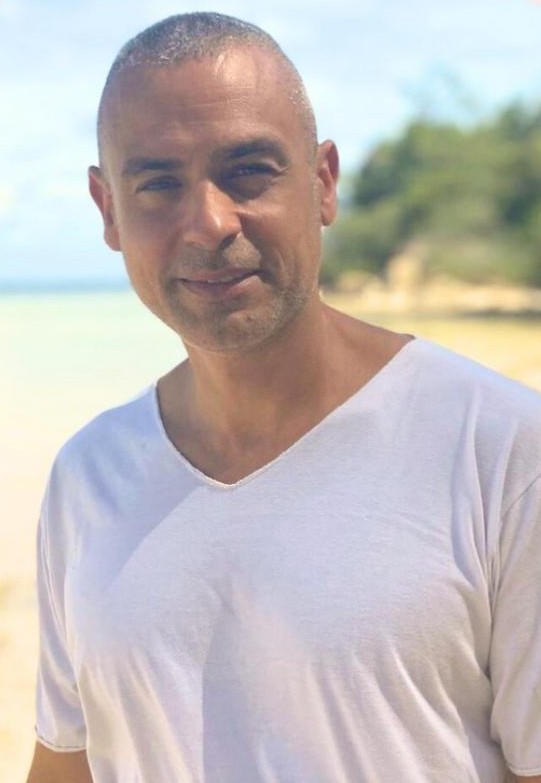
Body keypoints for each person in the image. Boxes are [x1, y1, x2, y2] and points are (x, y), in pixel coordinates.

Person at [26, 12, 541, 783]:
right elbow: (67, 764)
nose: (209, 222)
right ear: (108, 210)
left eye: (248, 171)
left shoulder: (498, 450)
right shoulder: (89, 475)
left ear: (322, 182)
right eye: (158, 183)